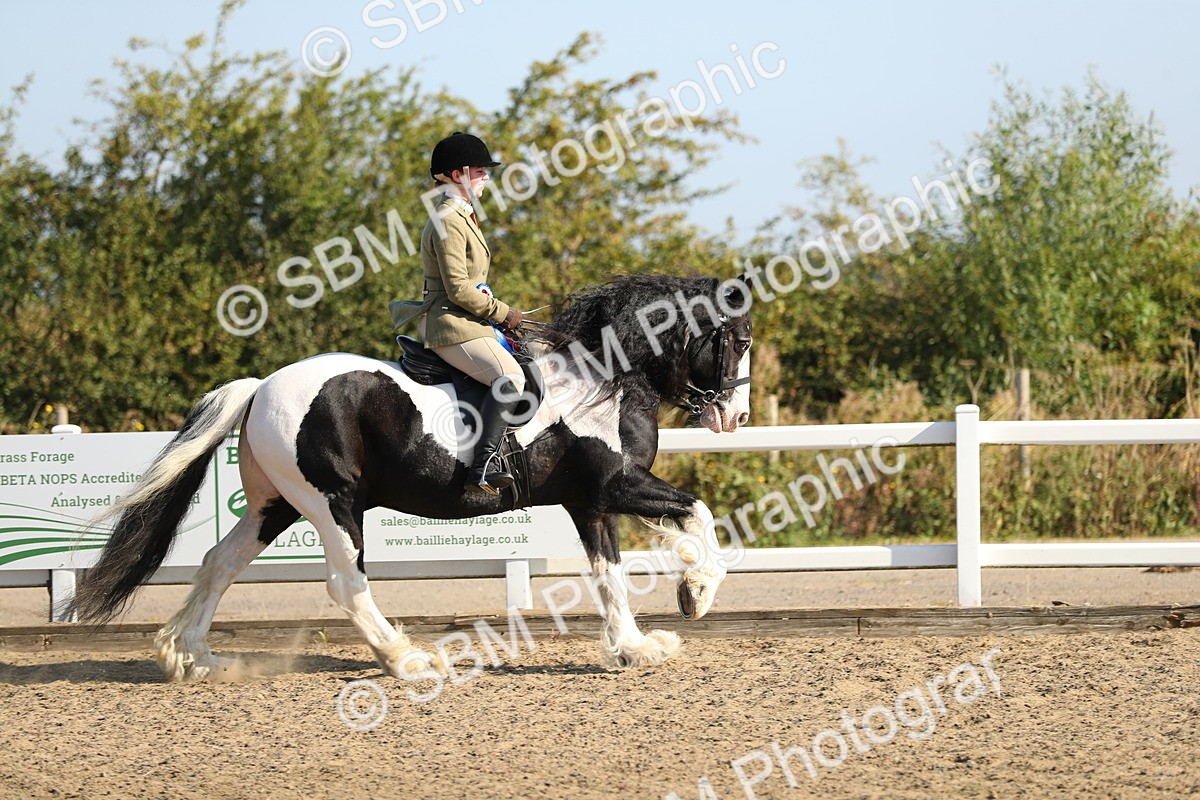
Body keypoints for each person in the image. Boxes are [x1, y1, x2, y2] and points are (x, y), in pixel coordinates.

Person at [416, 132, 525, 496]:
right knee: (510, 376)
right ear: (456, 174)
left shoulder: (463, 215)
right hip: (449, 323)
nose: (487, 178)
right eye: (480, 171)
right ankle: (484, 466)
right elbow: (459, 288)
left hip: (468, 320)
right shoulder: (448, 218)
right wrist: (503, 312)